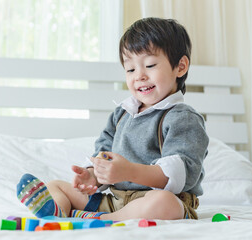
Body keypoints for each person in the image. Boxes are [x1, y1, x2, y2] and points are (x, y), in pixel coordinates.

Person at [17, 17, 209, 221]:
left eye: (150, 65)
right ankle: (58, 216)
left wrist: (129, 172)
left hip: (156, 200)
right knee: (55, 186)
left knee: (165, 203)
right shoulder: (122, 114)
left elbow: (180, 175)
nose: (139, 76)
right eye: (131, 69)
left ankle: (102, 220)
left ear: (180, 66)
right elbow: (103, 155)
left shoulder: (183, 118)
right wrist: (92, 176)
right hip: (116, 202)